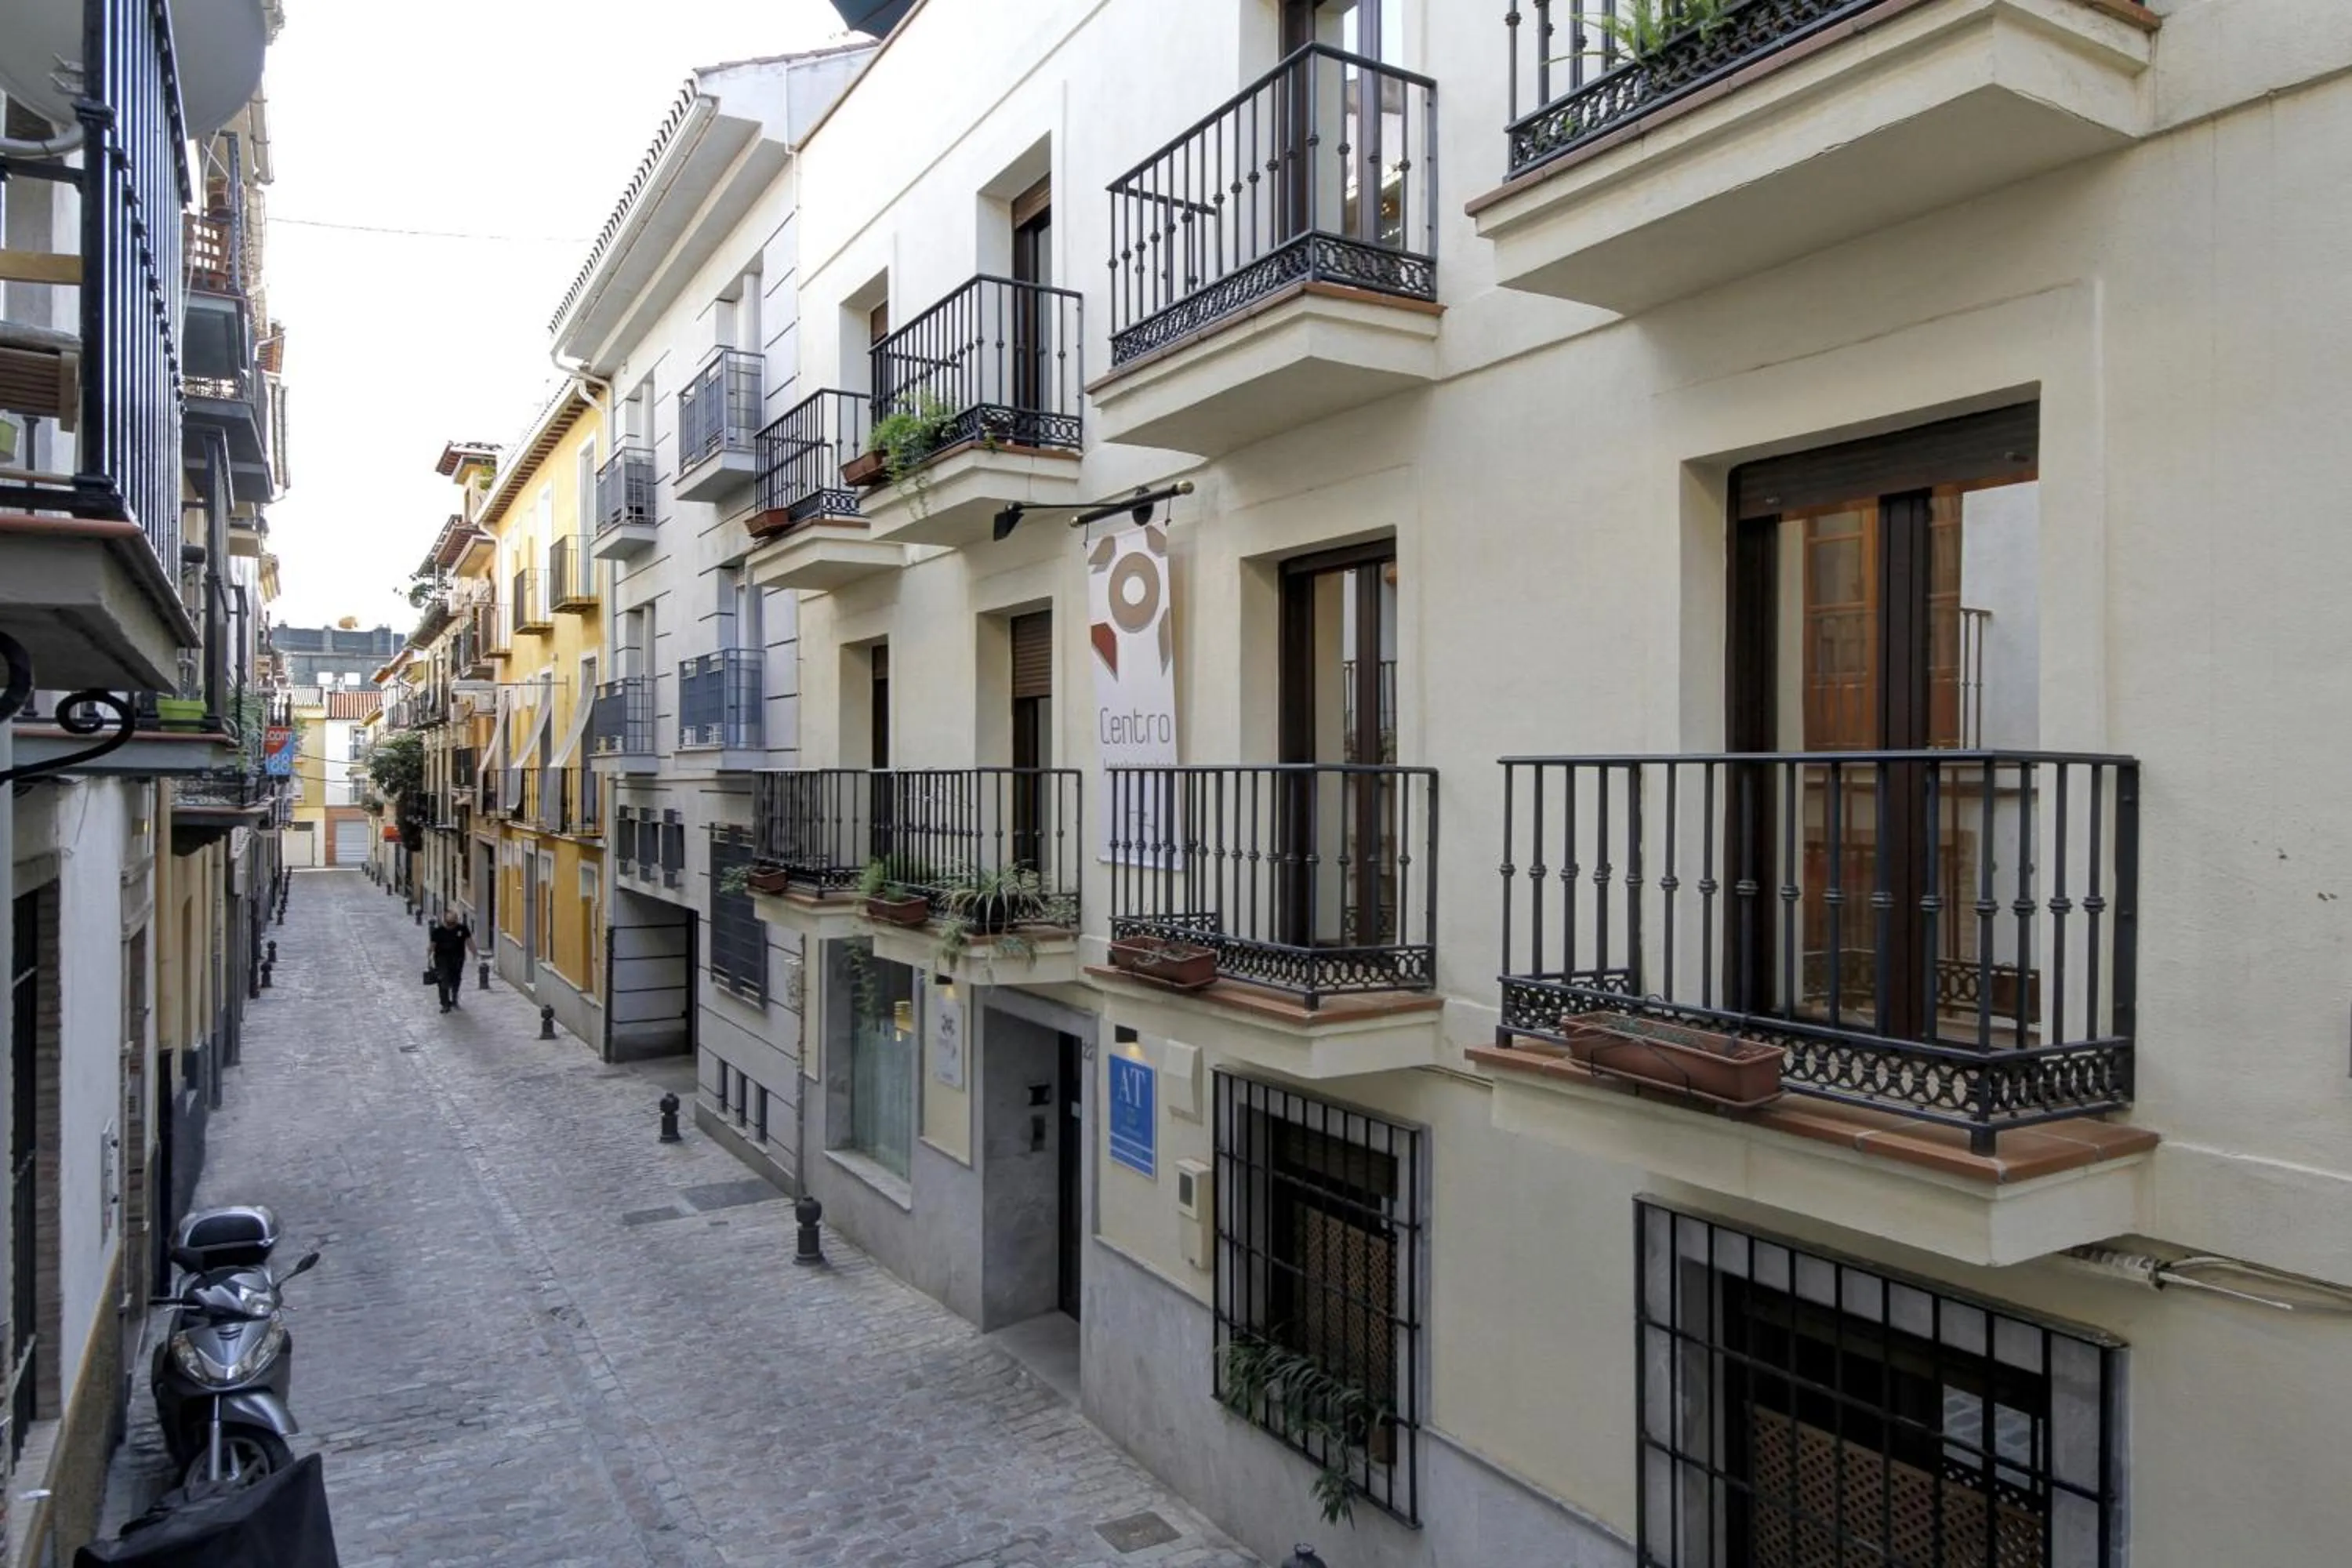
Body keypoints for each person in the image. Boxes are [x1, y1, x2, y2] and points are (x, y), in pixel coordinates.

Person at [426, 909, 474, 1013]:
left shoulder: (462, 929)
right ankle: (445, 1004)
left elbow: (469, 942)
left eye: (453, 923)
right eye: (449, 923)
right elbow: (432, 946)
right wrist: (429, 958)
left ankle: (454, 996)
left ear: (456, 920)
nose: (451, 926)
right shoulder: (438, 931)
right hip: (441, 959)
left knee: (456, 978)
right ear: (445, 921)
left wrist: (474, 953)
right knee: (443, 980)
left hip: (458, 959)